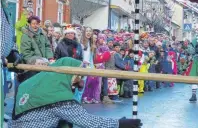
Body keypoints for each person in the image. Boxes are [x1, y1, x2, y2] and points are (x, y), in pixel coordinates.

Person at [11, 57, 142, 128]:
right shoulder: (58, 97)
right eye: (78, 76)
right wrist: (118, 124)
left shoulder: (29, 83)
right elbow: (87, 121)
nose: (78, 81)